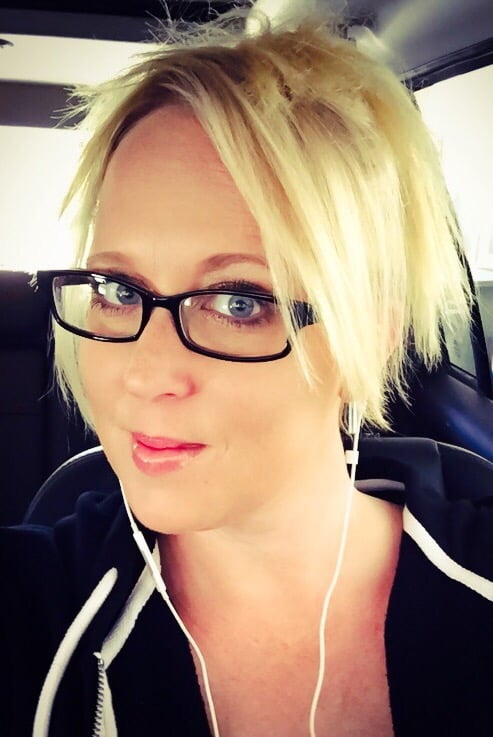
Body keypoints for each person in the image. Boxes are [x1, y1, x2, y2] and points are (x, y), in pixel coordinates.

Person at [2, 7, 493, 737]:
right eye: (117, 289)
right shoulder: (30, 608)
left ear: (369, 333)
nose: (147, 374)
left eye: (239, 301)